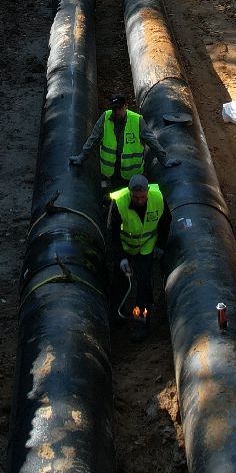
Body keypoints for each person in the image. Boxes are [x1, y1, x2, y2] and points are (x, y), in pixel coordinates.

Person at [108, 174, 170, 339]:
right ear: (130, 193)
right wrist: (121, 258)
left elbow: (166, 222)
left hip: (146, 248)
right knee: (120, 283)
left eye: (142, 197)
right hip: (126, 247)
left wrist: (160, 246)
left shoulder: (157, 198)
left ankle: (141, 324)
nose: (140, 201)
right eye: (136, 197)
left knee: (143, 285)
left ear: (148, 192)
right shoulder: (119, 202)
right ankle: (114, 318)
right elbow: (112, 233)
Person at [71, 94, 166, 189]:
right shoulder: (105, 118)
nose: (116, 111)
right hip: (112, 173)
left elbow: (152, 141)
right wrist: (82, 156)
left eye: (119, 108)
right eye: (114, 109)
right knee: (117, 198)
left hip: (132, 174)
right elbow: (93, 139)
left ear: (126, 106)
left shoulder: (137, 120)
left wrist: (163, 159)